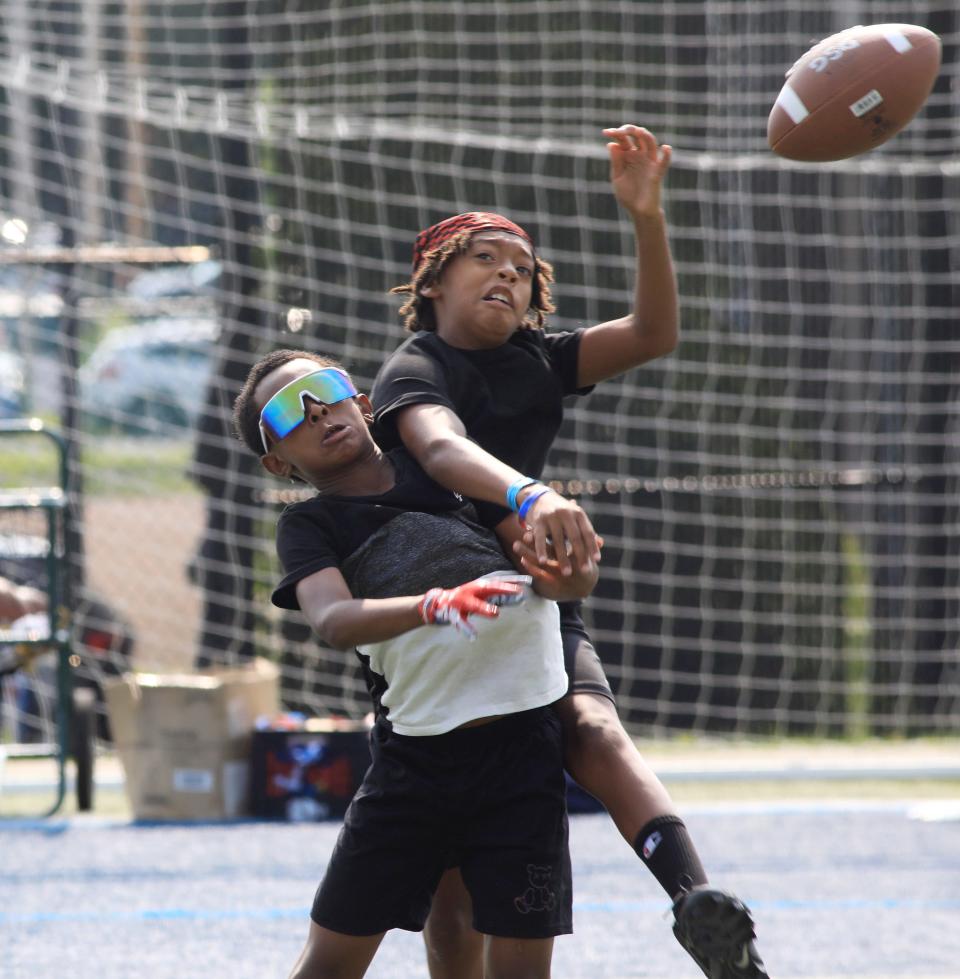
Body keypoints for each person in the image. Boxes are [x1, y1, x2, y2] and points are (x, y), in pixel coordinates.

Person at [370, 124, 769, 979]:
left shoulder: (539, 361)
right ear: (433, 280)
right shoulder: (418, 363)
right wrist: (530, 493)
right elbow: (440, 449)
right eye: (486, 257)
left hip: (528, 597)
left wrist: (646, 217)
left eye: (522, 267)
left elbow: (655, 332)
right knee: (449, 887)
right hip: (431, 622)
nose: (508, 272)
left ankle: (694, 898)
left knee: (592, 725)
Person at [232, 349, 599, 979]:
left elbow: (552, 579)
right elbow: (333, 621)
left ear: (364, 402)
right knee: (328, 964)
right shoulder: (310, 524)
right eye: (290, 412)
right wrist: (433, 605)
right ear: (278, 462)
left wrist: (573, 576)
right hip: (414, 768)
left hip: (523, 760)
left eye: (325, 389)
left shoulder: (454, 475)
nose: (318, 410)